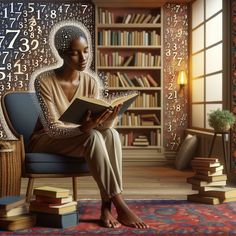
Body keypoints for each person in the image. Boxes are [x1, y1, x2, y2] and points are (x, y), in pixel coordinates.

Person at [28, 22, 148, 229]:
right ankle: (119, 202)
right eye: (75, 53)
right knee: (92, 137)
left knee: (110, 134)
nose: (83, 59)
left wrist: (109, 117)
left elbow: (98, 124)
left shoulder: (91, 81)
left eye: (86, 51)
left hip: (79, 138)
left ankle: (106, 207)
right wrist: (85, 128)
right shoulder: (44, 80)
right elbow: (52, 128)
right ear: (62, 53)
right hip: (47, 140)